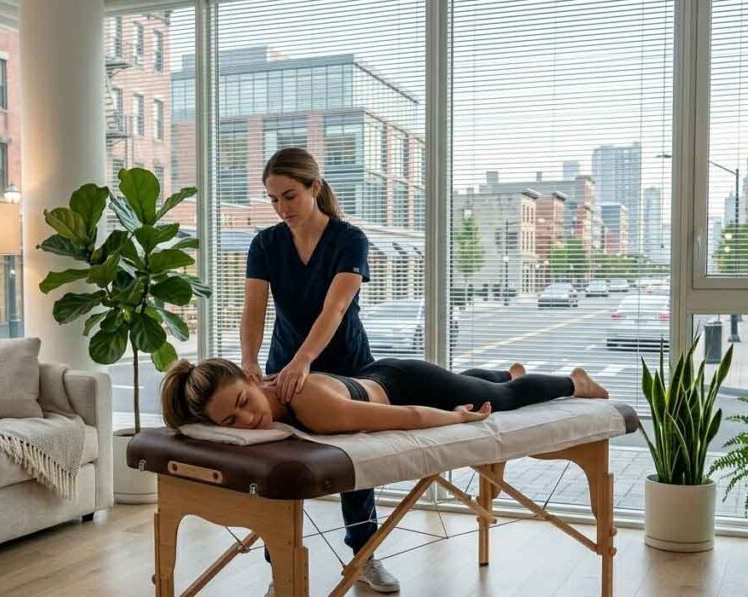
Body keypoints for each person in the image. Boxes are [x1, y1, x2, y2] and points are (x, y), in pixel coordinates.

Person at [239, 147, 390, 593]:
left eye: (289, 196)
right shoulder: (265, 243)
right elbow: (253, 309)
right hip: (281, 368)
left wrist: (304, 361)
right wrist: (249, 360)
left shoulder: (349, 239)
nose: (282, 208)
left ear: (314, 188)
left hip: (345, 365)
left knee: (354, 467)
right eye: (273, 200)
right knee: (280, 468)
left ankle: (365, 556)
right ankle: (279, 568)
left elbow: (336, 306)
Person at [161, 358, 609, 434]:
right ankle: (503, 371)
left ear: (250, 379)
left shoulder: (308, 404)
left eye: (242, 402)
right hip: (376, 378)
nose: (247, 420)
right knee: (469, 383)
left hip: (406, 386)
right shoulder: (271, 387)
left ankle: (575, 382)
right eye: (230, 423)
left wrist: (455, 419)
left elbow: (409, 418)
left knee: (502, 397)